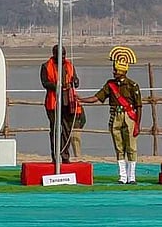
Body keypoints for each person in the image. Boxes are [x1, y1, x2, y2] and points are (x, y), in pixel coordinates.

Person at [79, 46, 142, 184]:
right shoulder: (110, 84)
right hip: (115, 117)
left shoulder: (133, 86)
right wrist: (81, 99)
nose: (113, 72)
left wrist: (137, 124)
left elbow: (138, 106)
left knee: (131, 147)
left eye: (116, 69)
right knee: (119, 147)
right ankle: (123, 176)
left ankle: (132, 177)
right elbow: (97, 97)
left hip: (129, 117)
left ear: (121, 70)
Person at [40, 45, 79, 163]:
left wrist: (75, 82)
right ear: (54, 54)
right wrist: (57, 86)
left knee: (67, 129)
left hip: (68, 102)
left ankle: (65, 156)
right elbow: (45, 83)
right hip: (53, 102)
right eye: (59, 55)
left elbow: (76, 81)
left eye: (64, 55)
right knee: (55, 129)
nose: (62, 57)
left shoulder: (70, 66)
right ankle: (55, 157)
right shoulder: (46, 66)